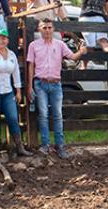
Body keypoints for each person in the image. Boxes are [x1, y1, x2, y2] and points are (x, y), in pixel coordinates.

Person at [27, 18, 88, 159]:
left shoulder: (60, 45)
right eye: (44, 27)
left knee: (58, 115)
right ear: (39, 29)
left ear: (53, 29)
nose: (47, 30)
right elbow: (31, 66)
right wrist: (30, 86)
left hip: (55, 83)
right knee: (43, 115)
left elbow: (72, 57)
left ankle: (60, 145)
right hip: (40, 83)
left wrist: (81, 52)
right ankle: (45, 145)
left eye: (49, 27)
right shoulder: (33, 45)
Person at [0, 28, 31, 161]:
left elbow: (15, 73)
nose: (1, 41)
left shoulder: (12, 55)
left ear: (7, 40)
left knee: (13, 118)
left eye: (4, 38)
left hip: (8, 92)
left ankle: (19, 146)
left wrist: (18, 90)